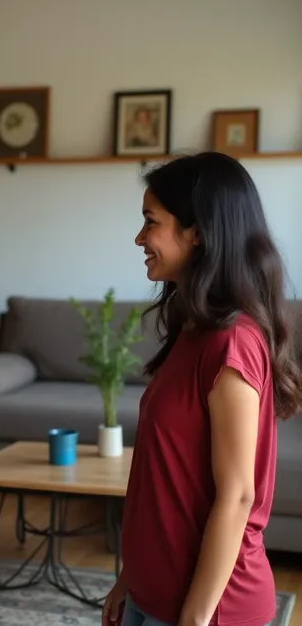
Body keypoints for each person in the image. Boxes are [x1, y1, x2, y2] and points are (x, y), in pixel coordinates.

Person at [103, 152, 302, 626]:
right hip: (152, 594)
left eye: (150, 222)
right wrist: (130, 579)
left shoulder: (233, 342)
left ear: (197, 232)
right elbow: (166, 480)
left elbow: (236, 496)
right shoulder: (193, 331)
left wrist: (194, 617)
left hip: (207, 609)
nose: (139, 238)